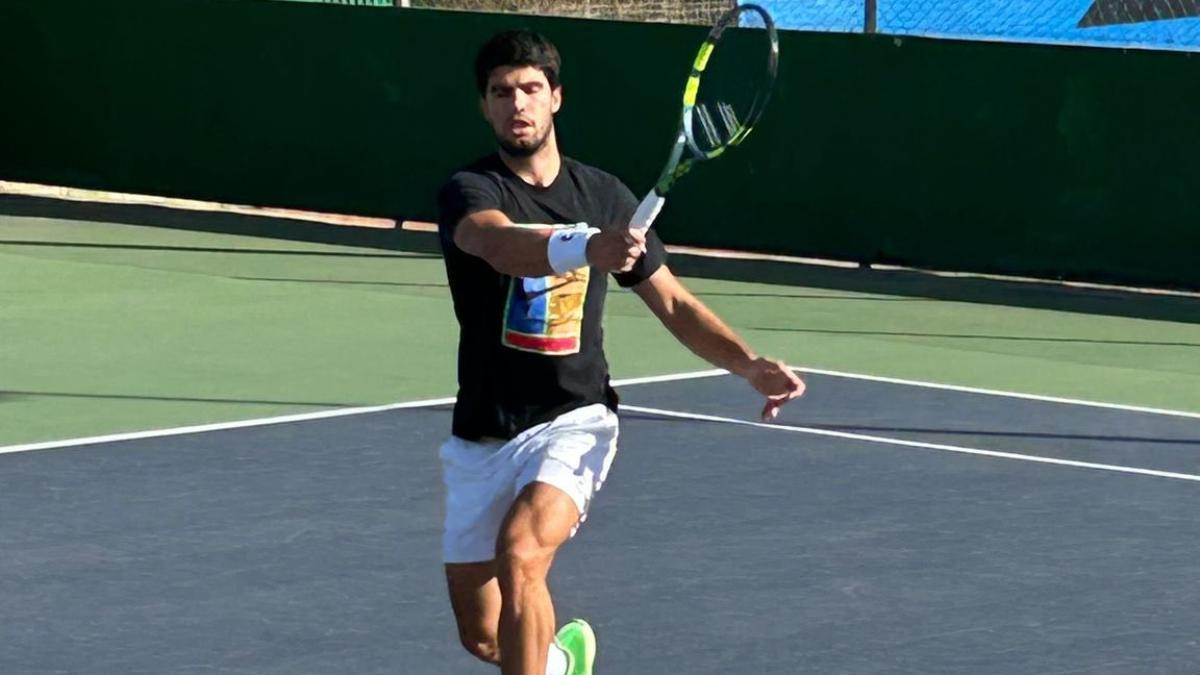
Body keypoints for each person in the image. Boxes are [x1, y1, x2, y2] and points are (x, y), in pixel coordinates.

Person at [435, 29, 806, 675]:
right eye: (501, 92)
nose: (517, 104)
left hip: (574, 418)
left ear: (556, 98)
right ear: (485, 106)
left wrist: (748, 363)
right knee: (485, 635)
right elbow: (497, 244)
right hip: (484, 432)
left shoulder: (605, 197)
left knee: (522, 555)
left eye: (530, 89)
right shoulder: (471, 190)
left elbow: (674, 302)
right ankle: (561, 662)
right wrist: (584, 247)